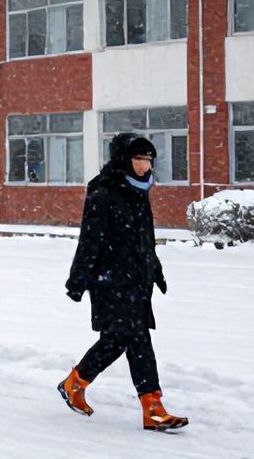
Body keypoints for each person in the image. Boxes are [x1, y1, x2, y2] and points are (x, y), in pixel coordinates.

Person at [58, 133, 188, 432]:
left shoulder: (138, 190)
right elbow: (91, 239)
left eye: (148, 160)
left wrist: (154, 268)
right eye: (139, 159)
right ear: (123, 159)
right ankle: (152, 407)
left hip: (136, 280)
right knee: (138, 340)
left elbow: (144, 238)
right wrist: (79, 279)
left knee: (116, 341)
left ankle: (74, 383)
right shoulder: (104, 191)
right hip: (111, 280)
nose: (145, 165)